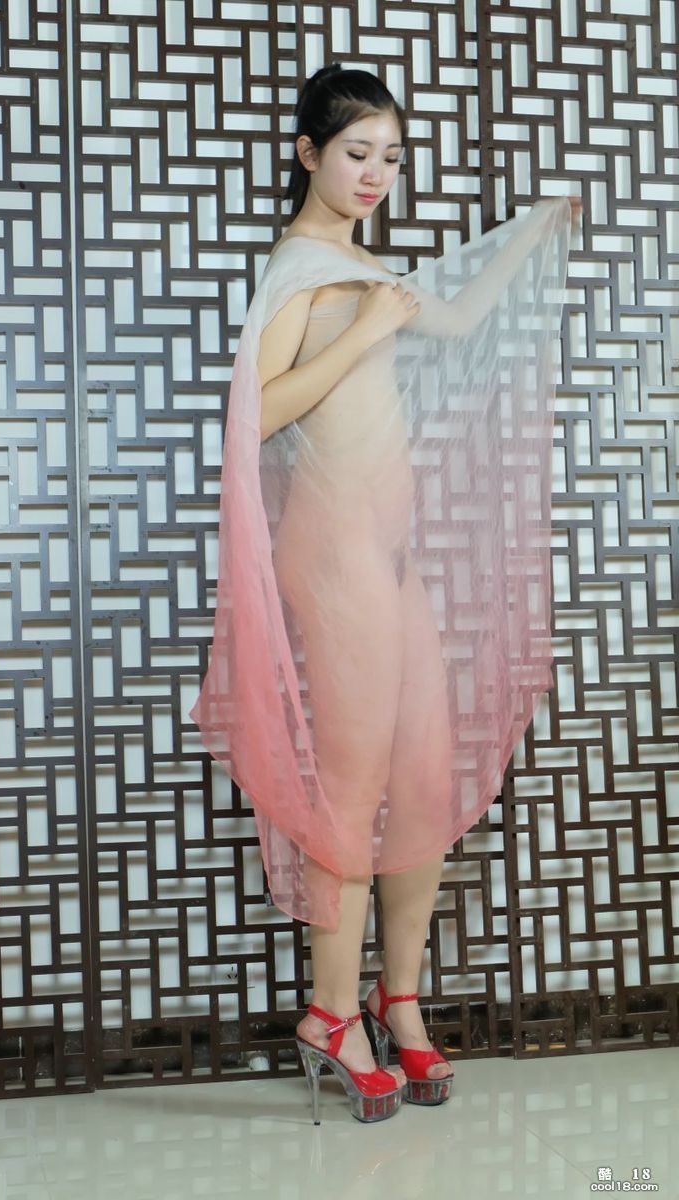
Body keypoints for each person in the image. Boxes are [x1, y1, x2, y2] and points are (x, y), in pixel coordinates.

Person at [191, 62, 579, 1125]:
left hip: (392, 563)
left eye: (391, 158)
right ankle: (329, 1013)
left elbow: (454, 320)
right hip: (334, 565)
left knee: (421, 782)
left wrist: (534, 232)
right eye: (356, 152)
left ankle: (395, 999)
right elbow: (252, 413)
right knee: (352, 790)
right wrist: (364, 333)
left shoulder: (363, 265)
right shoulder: (298, 270)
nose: (374, 174)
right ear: (307, 154)